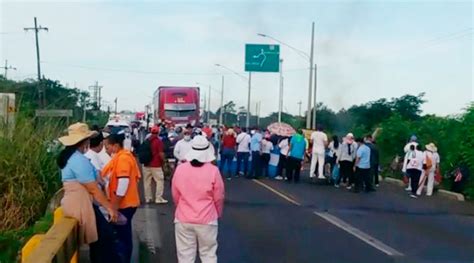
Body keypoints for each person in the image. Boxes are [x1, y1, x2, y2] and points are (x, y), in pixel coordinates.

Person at [57, 123, 119, 263]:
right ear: (84, 141)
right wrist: (110, 208)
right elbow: (92, 188)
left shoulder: (73, 157)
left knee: (101, 239)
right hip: (80, 204)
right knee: (103, 239)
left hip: (78, 203)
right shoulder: (78, 160)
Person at [172, 135, 225, 263]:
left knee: (185, 255)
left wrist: (181, 207)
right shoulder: (213, 171)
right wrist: (217, 213)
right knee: (208, 254)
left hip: (183, 218)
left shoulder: (180, 169)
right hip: (207, 218)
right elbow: (219, 196)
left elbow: (175, 194)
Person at [101, 132, 141, 262]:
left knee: (121, 237)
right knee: (123, 235)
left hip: (124, 204)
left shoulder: (123, 159)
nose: (106, 149)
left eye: (108, 146)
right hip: (125, 204)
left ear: (116, 145)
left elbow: (123, 184)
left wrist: (114, 207)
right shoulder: (120, 157)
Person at [142, 126, 167, 204]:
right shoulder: (158, 141)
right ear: (158, 132)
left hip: (146, 164)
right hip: (156, 165)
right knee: (159, 181)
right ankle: (158, 198)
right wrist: (164, 161)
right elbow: (160, 153)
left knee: (147, 181)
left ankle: (148, 198)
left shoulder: (147, 140)